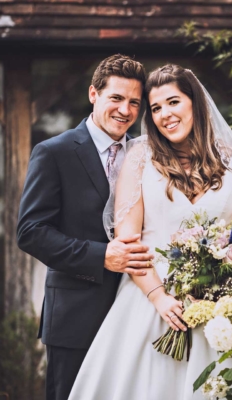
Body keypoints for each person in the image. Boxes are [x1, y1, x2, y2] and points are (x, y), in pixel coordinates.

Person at [68, 64, 232, 399]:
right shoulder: (139, 157)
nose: (165, 114)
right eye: (156, 108)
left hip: (220, 304)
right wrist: (159, 297)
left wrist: (228, 292)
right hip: (149, 301)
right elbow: (126, 241)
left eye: (173, 102)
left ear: (195, 103)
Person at [17, 54, 154, 400]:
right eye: (116, 98)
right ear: (93, 94)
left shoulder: (148, 155)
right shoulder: (53, 152)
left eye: (134, 102)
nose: (125, 110)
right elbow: (31, 231)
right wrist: (101, 256)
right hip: (76, 315)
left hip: (139, 313)